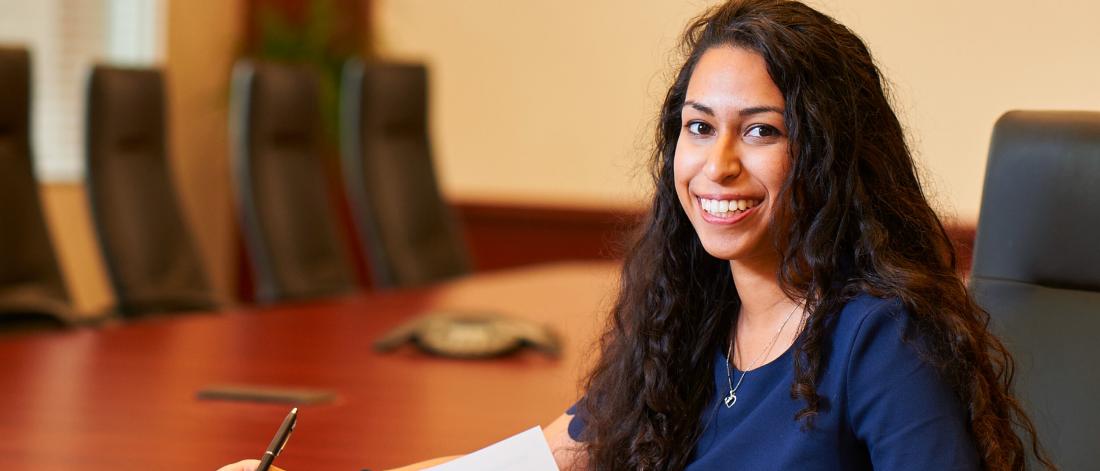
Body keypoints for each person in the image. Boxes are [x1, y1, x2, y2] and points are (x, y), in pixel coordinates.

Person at [220, 1, 1054, 470]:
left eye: (761, 131)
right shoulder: (690, 320)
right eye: (698, 128)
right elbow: (560, 454)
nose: (716, 165)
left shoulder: (877, 336)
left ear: (830, 156)